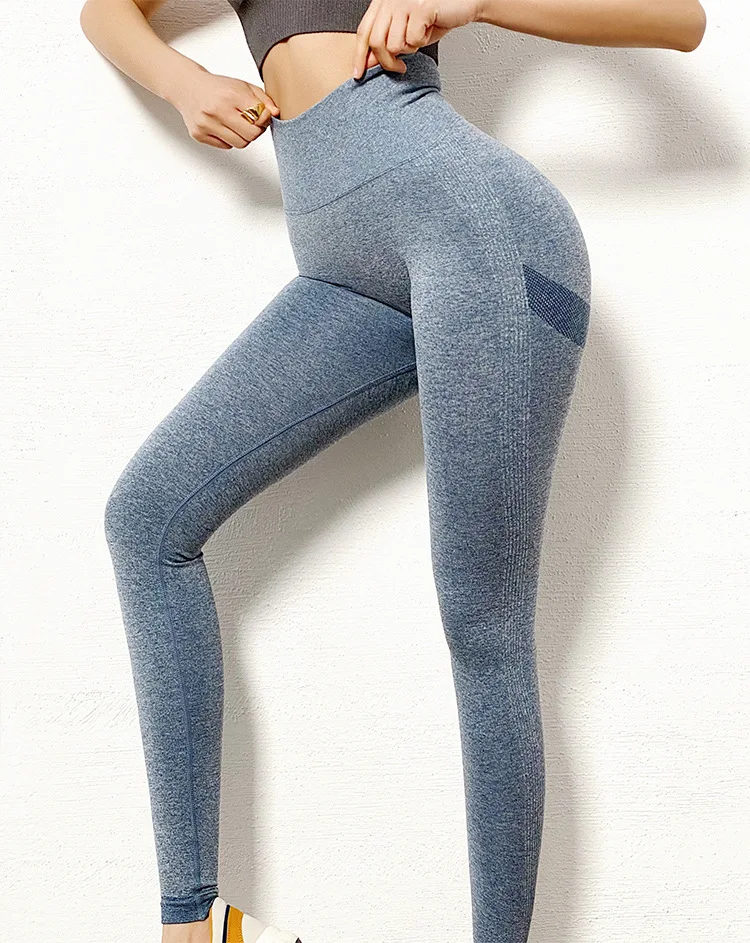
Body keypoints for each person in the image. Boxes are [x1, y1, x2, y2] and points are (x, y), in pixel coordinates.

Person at [79, 1, 706, 941]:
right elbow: (107, 11)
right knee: (148, 519)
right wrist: (185, 83)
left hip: (474, 229)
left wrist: (474, 2)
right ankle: (194, 923)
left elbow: (682, 20)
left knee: (482, 622)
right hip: (341, 263)